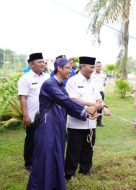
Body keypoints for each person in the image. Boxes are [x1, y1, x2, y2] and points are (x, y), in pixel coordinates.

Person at [27, 58, 98, 190]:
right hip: (48, 126)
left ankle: (55, 185)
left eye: (71, 68)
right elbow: (65, 101)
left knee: (57, 155)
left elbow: (69, 106)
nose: (70, 71)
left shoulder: (61, 85)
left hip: (58, 126)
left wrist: (87, 114)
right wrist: (85, 109)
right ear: (59, 68)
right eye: (67, 68)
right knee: (46, 156)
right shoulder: (50, 84)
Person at [65, 56, 109, 180]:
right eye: (91, 67)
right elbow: (72, 99)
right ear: (82, 66)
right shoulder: (73, 81)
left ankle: (85, 169)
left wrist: (103, 106)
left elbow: (99, 98)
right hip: (76, 122)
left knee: (89, 147)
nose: (93, 69)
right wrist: (91, 106)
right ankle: (69, 173)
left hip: (91, 121)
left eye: (94, 67)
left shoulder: (94, 82)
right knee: (74, 149)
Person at [18, 52, 49, 172]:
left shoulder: (47, 77)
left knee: (44, 139)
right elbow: (22, 98)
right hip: (32, 115)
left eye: (43, 61)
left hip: (46, 114)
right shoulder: (25, 79)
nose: (42, 64)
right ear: (31, 64)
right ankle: (29, 163)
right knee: (31, 139)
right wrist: (25, 115)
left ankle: (41, 160)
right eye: (39, 62)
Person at [91, 61, 107, 127]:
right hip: (92, 92)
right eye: (97, 66)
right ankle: (92, 120)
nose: (98, 67)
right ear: (95, 67)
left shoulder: (103, 74)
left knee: (100, 107)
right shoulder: (91, 74)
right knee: (93, 106)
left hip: (100, 92)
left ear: (101, 67)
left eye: (99, 66)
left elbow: (105, 83)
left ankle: (99, 122)